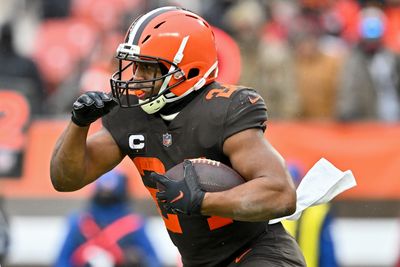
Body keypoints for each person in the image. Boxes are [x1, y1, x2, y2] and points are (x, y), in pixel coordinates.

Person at [50, 6, 305, 267]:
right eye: (136, 66)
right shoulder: (131, 113)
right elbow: (66, 179)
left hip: (258, 253)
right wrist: (78, 124)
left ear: (188, 70)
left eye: (148, 68)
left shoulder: (225, 109)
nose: (137, 77)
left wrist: (203, 201)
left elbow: (281, 194)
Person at [54, 169, 161, 267]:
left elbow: (153, 261)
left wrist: (138, 260)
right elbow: (62, 261)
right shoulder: (79, 222)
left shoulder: (134, 224)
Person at [282, 163, 338, 267]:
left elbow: (327, 248)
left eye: (293, 181)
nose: (291, 187)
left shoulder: (319, 210)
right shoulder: (276, 208)